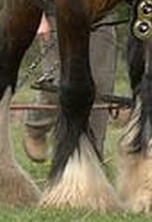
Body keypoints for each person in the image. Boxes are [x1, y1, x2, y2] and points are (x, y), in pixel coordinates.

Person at [22, 10, 118, 162]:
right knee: (57, 87)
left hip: (100, 14)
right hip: (56, 11)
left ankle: (93, 159)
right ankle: (36, 126)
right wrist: (39, 17)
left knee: (100, 89)